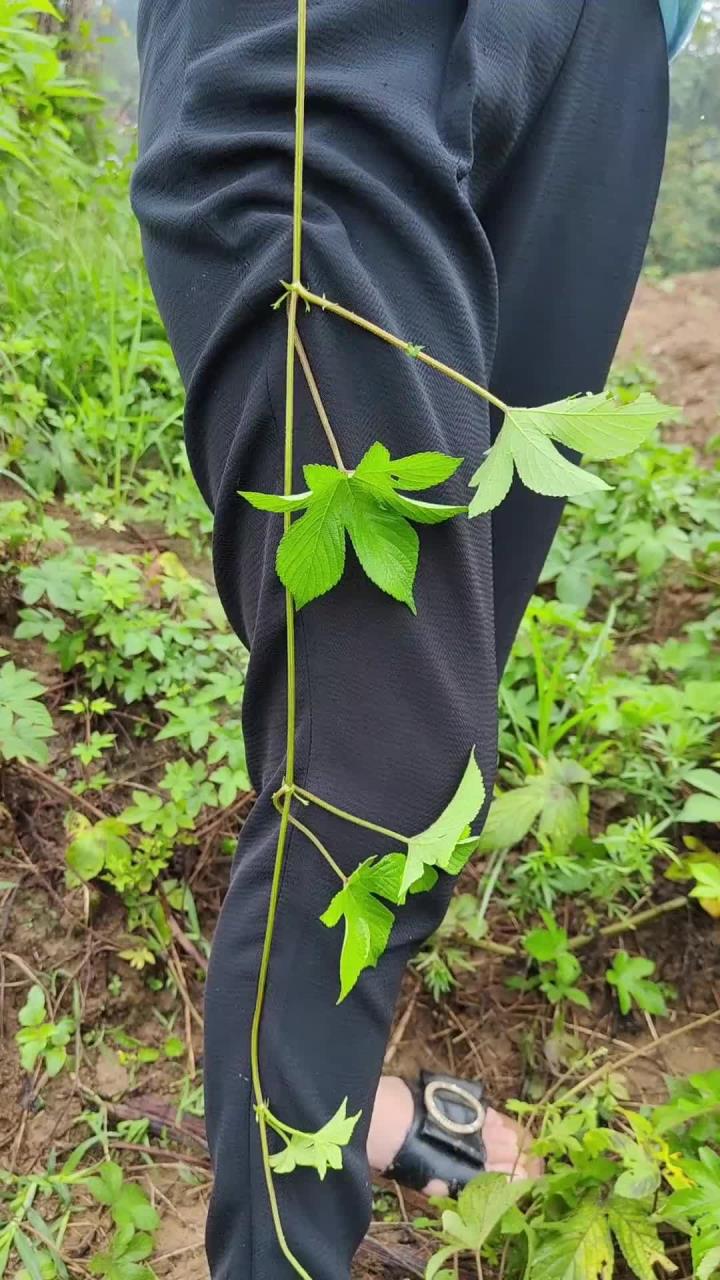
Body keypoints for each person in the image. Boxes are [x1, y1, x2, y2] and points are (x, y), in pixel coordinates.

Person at [131, 1, 700, 1276]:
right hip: (333, 30)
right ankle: (288, 1228)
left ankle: (347, 1106)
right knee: (380, 782)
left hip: (609, 48)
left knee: (437, 699)